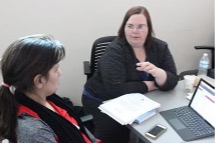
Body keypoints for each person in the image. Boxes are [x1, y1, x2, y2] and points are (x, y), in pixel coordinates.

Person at [82, 6, 179, 142]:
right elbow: (117, 90)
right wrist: (150, 84)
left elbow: (173, 79)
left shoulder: (160, 47)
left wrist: (158, 73)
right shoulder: (114, 50)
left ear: (148, 29)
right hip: (101, 99)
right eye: (130, 26)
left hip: (136, 100)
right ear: (124, 28)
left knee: (160, 126)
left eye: (141, 26)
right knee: (115, 133)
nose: (135, 31)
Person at [0, 34, 94, 143]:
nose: (60, 73)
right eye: (56, 69)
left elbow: (81, 131)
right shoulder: (35, 132)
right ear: (39, 81)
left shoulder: (48, 98)